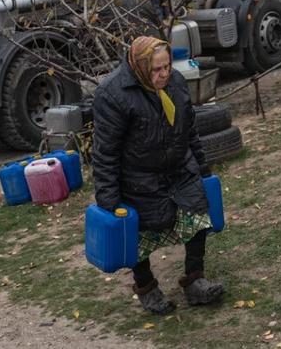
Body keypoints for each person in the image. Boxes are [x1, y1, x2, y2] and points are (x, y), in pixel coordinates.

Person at [91, 36, 224, 315]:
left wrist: (202, 169)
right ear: (140, 67)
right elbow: (105, 153)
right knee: (137, 237)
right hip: (138, 180)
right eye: (156, 70)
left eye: (167, 67)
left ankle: (195, 281)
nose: (164, 74)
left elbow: (189, 131)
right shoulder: (112, 95)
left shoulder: (174, 82)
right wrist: (109, 200)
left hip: (179, 169)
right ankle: (148, 289)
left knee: (197, 219)